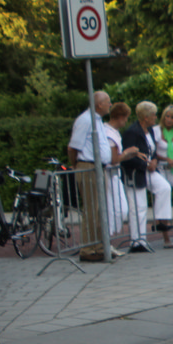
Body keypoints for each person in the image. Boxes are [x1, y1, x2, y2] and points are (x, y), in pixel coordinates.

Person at [120, 101, 173, 252]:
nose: (156, 117)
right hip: (136, 172)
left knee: (164, 187)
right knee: (139, 207)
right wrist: (145, 165)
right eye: (154, 115)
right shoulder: (132, 132)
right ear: (146, 117)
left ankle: (160, 221)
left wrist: (155, 160)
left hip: (149, 169)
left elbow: (152, 149)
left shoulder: (149, 130)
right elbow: (128, 157)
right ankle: (137, 241)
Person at [66, 90, 112, 262]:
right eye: (108, 101)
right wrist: (75, 165)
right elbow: (73, 147)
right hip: (88, 167)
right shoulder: (86, 120)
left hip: (98, 168)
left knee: (99, 209)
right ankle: (88, 248)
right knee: (92, 209)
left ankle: (98, 245)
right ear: (99, 104)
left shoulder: (97, 120)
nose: (110, 105)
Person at [104, 102, 134, 238]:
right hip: (110, 174)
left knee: (118, 209)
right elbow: (114, 159)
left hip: (114, 174)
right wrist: (128, 153)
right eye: (126, 117)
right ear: (121, 117)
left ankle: (109, 237)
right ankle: (108, 237)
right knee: (116, 209)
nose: (126, 121)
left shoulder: (112, 131)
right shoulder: (109, 133)